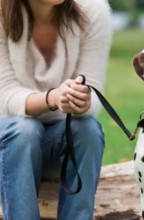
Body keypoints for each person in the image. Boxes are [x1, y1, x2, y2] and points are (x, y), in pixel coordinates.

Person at [0, 0, 112, 219]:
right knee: (24, 130)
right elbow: (4, 96)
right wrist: (53, 98)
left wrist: (82, 100)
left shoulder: (94, 11)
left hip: (58, 141)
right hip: (8, 145)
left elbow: (94, 91)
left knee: (87, 128)